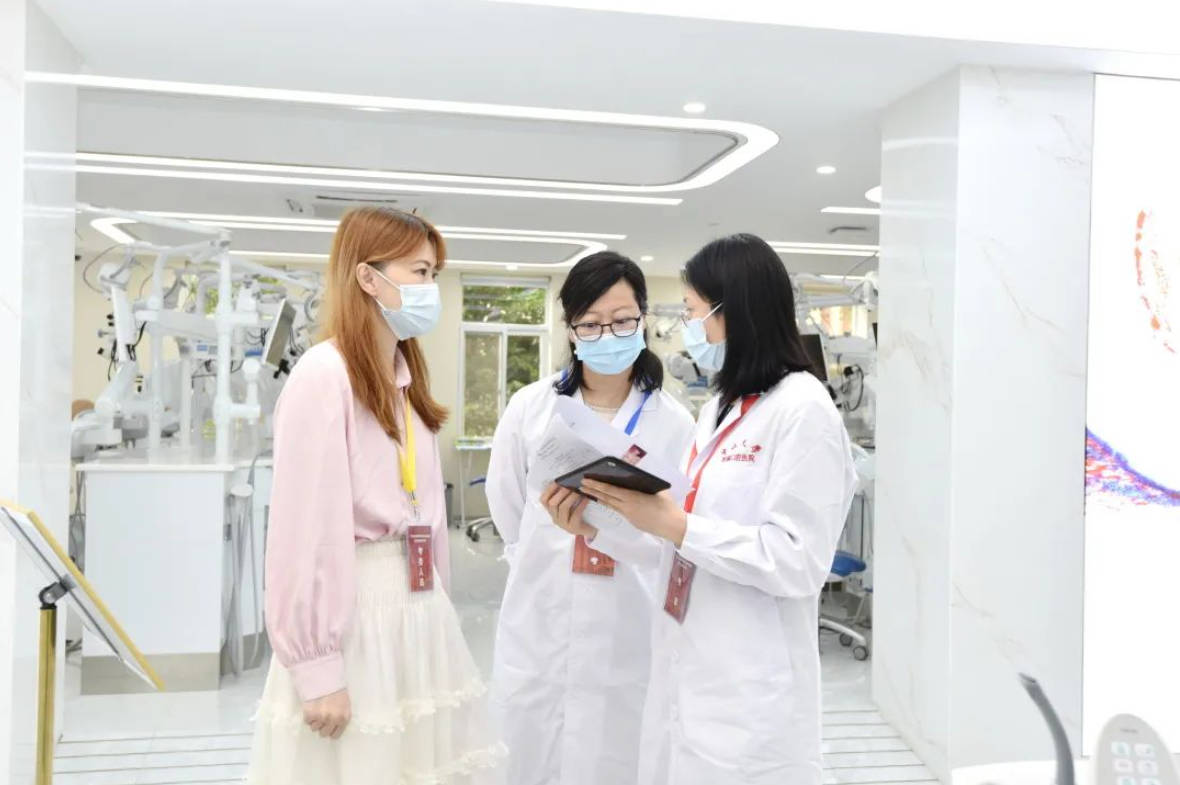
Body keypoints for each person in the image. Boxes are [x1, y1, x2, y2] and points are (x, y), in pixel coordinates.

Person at [542, 234, 857, 785]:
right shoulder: (718, 410)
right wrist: (595, 528)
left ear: (736, 311)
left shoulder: (803, 409)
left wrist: (679, 525)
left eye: (692, 312)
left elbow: (797, 561)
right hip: (686, 666)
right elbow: (677, 543)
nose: (689, 328)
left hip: (749, 687)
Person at [247, 207, 505, 785]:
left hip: (419, 612)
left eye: (434, 274)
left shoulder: (403, 379)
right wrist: (318, 669)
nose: (431, 289)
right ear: (367, 276)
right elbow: (304, 534)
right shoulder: (324, 375)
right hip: (357, 614)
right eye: (420, 272)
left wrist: (438, 609)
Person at [485, 251, 696, 785]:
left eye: (622, 321)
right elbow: (507, 505)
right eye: (591, 324)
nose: (608, 335)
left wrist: (613, 532)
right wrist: (542, 545)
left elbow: (678, 531)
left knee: (619, 755)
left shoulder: (675, 423)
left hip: (630, 615)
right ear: (571, 329)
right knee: (532, 753)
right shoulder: (530, 408)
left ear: (643, 318)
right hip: (543, 611)